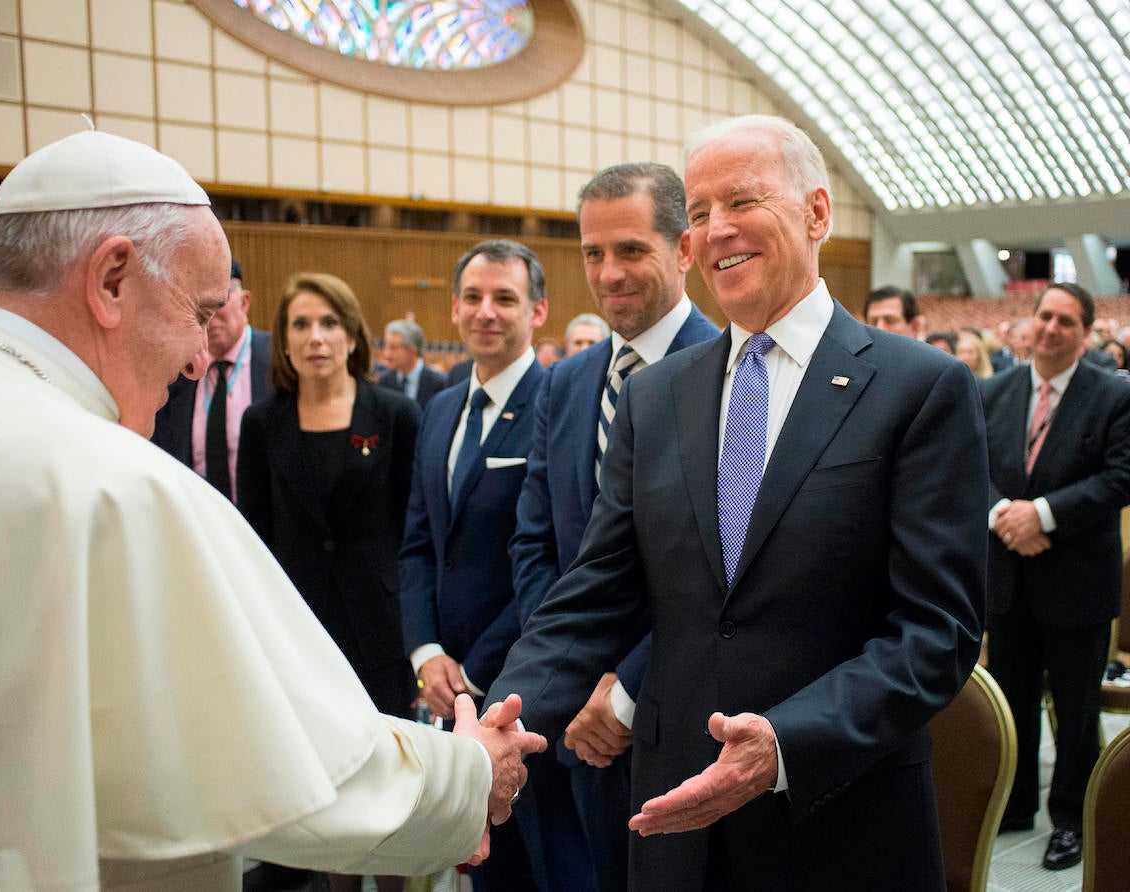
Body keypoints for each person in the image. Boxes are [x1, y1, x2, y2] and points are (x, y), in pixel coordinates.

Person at [0, 130, 545, 892]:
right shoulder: (112, 482)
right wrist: (468, 775)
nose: (198, 358)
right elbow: (277, 766)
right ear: (112, 279)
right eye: (198, 310)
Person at [487, 115, 989, 890]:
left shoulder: (918, 388)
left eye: (742, 201)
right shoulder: (656, 397)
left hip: (840, 820)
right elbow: (596, 592)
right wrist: (503, 723)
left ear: (817, 214)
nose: (716, 230)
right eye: (697, 211)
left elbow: (936, 631)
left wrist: (785, 742)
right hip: (672, 819)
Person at [510, 161, 720, 891]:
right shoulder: (566, 382)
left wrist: (624, 685)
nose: (609, 273)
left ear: (685, 249)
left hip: (683, 713)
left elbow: (723, 570)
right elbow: (536, 542)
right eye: (593, 253)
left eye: (631, 250)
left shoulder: (734, 373)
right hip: (576, 722)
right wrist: (573, 677)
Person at [237, 273, 423, 892]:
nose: (315, 337)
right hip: (302, 630)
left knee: (390, 779)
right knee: (326, 783)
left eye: (329, 323)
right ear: (284, 343)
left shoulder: (394, 414)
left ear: (351, 335)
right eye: (300, 325)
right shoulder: (264, 424)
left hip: (380, 625)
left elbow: (410, 528)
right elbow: (257, 535)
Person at [400, 239, 552, 892]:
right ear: (454, 308)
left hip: (520, 684)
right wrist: (426, 652)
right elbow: (417, 543)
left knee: (534, 870)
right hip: (443, 680)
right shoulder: (438, 409)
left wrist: (476, 673)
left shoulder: (556, 406)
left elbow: (554, 560)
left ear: (538, 312)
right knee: (473, 863)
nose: (485, 312)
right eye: (473, 297)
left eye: (505, 299)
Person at [981, 282, 1130, 871]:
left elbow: (1121, 476)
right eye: (1044, 316)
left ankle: (1073, 819)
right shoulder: (993, 390)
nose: (1050, 328)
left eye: (1066, 321)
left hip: (1077, 580)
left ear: (1086, 333)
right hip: (1007, 576)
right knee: (1012, 701)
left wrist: (1040, 514)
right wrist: (1002, 513)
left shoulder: (1113, 395)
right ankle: (1012, 806)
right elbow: (966, 463)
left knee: (1076, 709)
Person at [151, 257, 270, 502]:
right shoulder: (176, 371)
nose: (211, 315)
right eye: (198, 305)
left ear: (244, 301)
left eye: (219, 301)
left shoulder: (280, 364)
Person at [378, 318, 447, 409]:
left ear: (412, 351)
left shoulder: (439, 383)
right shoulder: (382, 381)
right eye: (386, 347)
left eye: (393, 348)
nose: (387, 354)